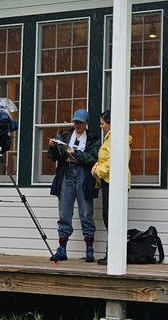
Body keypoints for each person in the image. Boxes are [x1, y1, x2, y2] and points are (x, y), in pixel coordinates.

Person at [47, 109, 100, 262]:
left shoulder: (93, 138)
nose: (77, 125)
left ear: (86, 123)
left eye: (81, 122)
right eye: (76, 121)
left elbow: (93, 158)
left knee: (86, 212)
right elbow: (53, 157)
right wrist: (53, 146)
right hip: (67, 173)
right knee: (64, 212)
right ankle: (62, 249)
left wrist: (75, 154)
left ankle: (89, 249)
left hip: (83, 175)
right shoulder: (64, 136)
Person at [90, 110, 131, 231]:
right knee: (109, 215)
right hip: (109, 180)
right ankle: (112, 247)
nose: (101, 126)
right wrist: (97, 164)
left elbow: (115, 161)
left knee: (112, 216)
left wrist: (98, 170)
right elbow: (107, 158)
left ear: (110, 123)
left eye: (102, 124)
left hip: (114, 182)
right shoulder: (110, 139)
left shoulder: (116, 139)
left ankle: (115, 248)